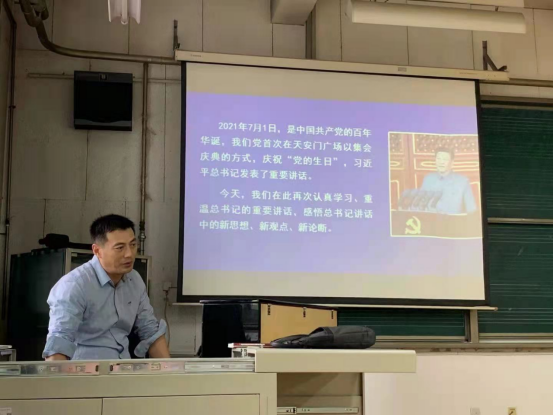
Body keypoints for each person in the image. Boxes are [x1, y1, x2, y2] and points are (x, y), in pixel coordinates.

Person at [42, 214, 170, 361]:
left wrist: (171, 371)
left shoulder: (134, 280)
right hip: (85, 371)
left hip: (123, 369)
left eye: (133, 245)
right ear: (97, 251)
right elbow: (59, 342)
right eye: (120, 248)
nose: (129, 254)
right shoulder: (74, 285)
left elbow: (150, 331)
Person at [420, 147, 477, 215]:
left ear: (452, 162)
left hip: (454, 221)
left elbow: (471, 210)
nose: (441, 162)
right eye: (438, 159)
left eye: (445, 159)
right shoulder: (428, 179)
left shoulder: (463, 182)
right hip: (431, 220)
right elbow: (420, 206)